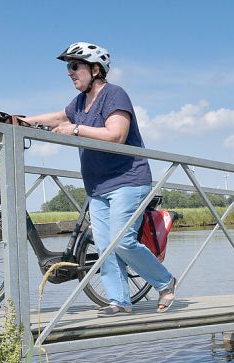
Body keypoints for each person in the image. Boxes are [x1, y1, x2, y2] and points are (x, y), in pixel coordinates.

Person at [26, 42, 176, 316]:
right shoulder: (80, 102)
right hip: (97, 186)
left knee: (123, 242)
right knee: (106, 246)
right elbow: (58, 116)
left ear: (95, 70)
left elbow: (116, 134)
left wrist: (75, 129)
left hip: (128, 179)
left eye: (74, 66)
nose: (69, 72)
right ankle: (120, 301)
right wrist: (22, 120)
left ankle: (165, 282)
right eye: (68, 67)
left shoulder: (114, 95)